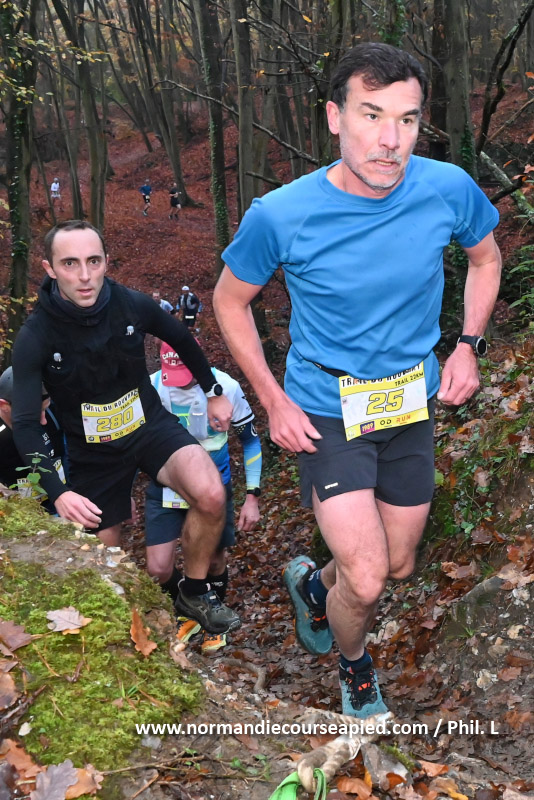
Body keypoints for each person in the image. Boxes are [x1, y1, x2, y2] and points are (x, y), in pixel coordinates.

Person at [213, 42, 501, 718]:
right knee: (368, 580)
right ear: (334, 117)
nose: (390, 140)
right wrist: (272, 399)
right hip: (325, 407)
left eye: (407, 119)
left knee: (396, 563)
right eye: (371, 115)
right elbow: (229, 301)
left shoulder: (447, 187)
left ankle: (315, 589)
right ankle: (356, 669)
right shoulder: (281, 214)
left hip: (409, 400)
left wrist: (468, 346)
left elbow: (486, 259)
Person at [11, 220, 240, 635]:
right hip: (93, 452)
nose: (85, 276)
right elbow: (25, 422)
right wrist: (58, 492)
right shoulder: (35, 335)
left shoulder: (130, 304)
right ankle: (130, 629)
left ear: (106, 262)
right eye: (70, 263)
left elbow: (180, 337)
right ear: (50, 268)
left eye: (93, 261)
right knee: (104, 563)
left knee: (210, 493)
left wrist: (213, 390)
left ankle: (195, 591)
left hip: (148, 426)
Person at [145, 342, 262, 652]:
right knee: (158, 569)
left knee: (213, 559)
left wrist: (252, 495)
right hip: (167, 486)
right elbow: (136, 442)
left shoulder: (227, 387)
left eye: (186, 376)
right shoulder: (152, 387)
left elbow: (250, 441)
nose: (180, 384)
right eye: (174, 376)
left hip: (214, 486)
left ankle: (214, 621)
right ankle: (188, 610)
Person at [0, 367, 65, 513]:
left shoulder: (53, 412)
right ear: (4, 406)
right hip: (21, 514)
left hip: (62, 500)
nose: (43, 420)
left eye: (45, 409)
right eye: (33, 413)